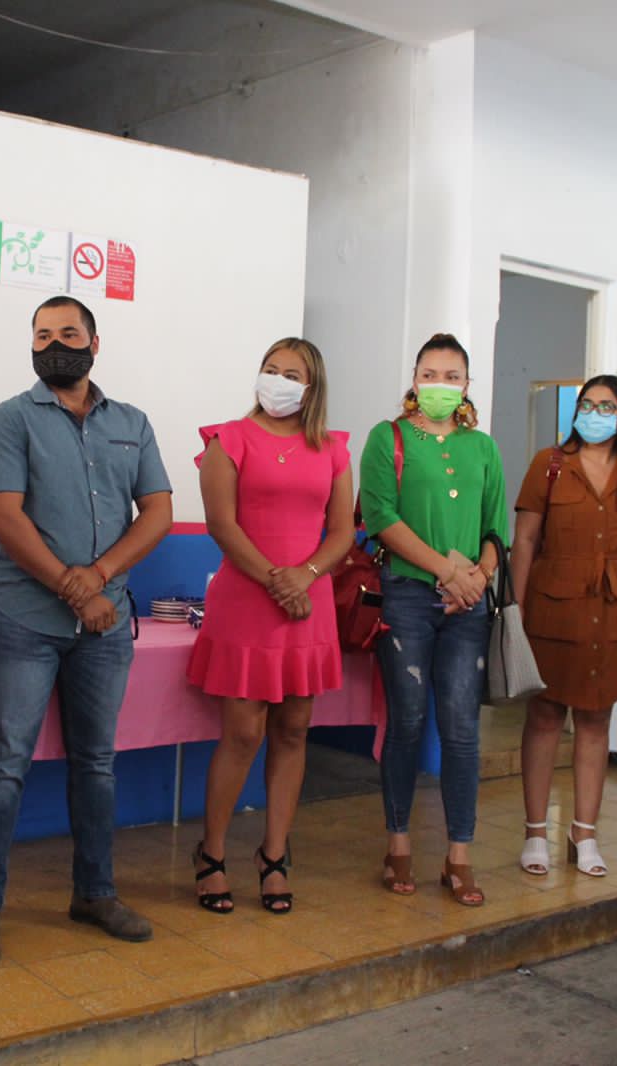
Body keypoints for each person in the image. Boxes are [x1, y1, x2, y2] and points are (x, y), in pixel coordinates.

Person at [0, 296, 173, 965]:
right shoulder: (10, 419)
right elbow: (4, 515)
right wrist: (72, 588)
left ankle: (95, 894)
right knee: (4, 767)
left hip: (105, 624)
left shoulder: (132, 423)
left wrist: (100, 577)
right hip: (24, 618)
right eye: (43, 335)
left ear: (95, 344)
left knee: (97, 766)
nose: (55, 345)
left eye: (69, 334)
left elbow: (158, 511)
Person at [186, 339, 355, 915]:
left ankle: (274, 854)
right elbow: (221, 524)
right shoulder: (228, 439)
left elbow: (341, 532)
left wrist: (304, 577)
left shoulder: (333, 448)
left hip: (309, 600)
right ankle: (211, 854)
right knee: (242, 733)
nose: (277, 380)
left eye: (291, 373)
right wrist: (277, 581)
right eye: (270, 369)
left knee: (294, 731)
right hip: (247, 600)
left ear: (312, 387)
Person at [359, 333, 506, 906]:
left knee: (462, 730)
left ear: (466, 385)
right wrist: (446, 570)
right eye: (429, 374)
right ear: (414, 379)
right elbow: (381, 518)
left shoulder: (483, 447)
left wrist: (477, 577)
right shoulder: (388, 437)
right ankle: (397, 843)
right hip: (408, 598)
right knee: (408, 722)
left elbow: (496, 527)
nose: (439, 385)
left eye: (451, 376)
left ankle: (458, 856)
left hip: (468, 604)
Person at [511, 375, 617, 878]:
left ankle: (584, 833)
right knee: (546, 717)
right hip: (551, 607)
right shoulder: (550, 464)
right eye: (588, 404)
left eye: (607, 407)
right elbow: (525, 540)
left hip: (614, 610)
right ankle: (536, 832)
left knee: (597, 720)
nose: (596, 414)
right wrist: (516, 612)